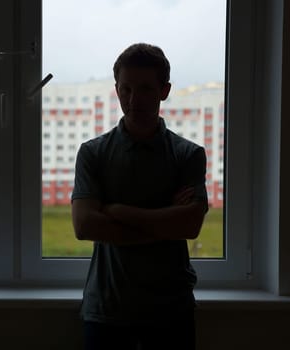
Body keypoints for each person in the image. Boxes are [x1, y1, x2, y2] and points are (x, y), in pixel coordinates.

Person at [71, 43, 208, 350]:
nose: (134, 100)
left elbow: (188, 226)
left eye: (145, 88)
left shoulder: (188, 155)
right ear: (116, 89)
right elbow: (85, 226)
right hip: (107, 312)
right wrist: (163, 222)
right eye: (126, 89)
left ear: (165, 90)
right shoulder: (93, 153)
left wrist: (118, 210)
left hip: (170, 313)